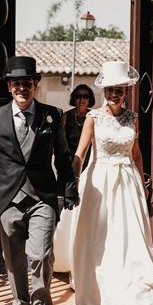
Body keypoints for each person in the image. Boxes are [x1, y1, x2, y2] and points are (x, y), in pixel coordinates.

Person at [0, 56, 79, 305]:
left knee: (41, 255)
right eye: (17, 83)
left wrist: (68, 189)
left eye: (27, 83)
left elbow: (64, 157)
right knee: (14, 259)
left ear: (35, 85)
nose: (22, 88)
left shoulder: (52, 115)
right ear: (9, 86)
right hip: (8, 198)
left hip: (42, 197)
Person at [60, 60, 153, 305]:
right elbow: (80, 153)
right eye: (109, 90)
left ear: (127, 91)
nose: (114, 95)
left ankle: (137, 292)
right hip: (99, 184)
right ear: (104, 91)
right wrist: (72, 179)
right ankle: (98, 290)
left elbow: (136, 154)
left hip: (127, 183)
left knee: (131, 239)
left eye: (119, 90)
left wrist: (144, 184)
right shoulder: (93, 118)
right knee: (100, 239)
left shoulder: (133, 119)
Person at [53, 84, 95, 273]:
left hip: (89, 169)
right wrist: (67, 170)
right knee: (64, 210)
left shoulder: (94, 117)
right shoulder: (65, 117)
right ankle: (62, 249)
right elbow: (60, 145)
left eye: (85, 96)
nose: (81, 99)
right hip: (67, 170)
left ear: (90, 99)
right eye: (78, 95)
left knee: (87, 208)